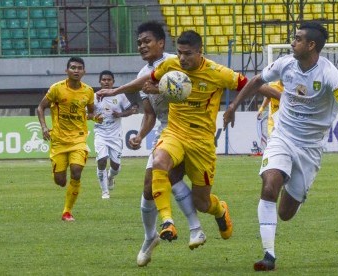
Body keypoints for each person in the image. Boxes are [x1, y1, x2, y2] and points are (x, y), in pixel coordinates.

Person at [97, 29, 280, 254]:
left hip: (201, 142)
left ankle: (220, 210)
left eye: (188, 54)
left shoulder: (217, 72)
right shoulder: (170, 65)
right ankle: (167, 221)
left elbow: (252, 84)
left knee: (202, 203)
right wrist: (116, 90)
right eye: (180, 53)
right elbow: (146, 80)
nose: (183, 58)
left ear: (200, 52)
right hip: (174, 132)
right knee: (159, 163)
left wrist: (284, 97)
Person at [223, 21, 338, 271]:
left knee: (285, 213)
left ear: (311, 45)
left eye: (297, 38)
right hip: (282, 136)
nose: (292, 42)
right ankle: (269, 255)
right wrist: (232, 106)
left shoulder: (330, 75)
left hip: (310, 148)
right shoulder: (285, 64)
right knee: (270, 183)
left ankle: (293, 189)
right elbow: (255, 81)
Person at [126, 22, 205, 267]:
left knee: (172, 176)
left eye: (147, 40)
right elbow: (149, 113)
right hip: (165, 131)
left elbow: (201, 85)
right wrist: (140, 135)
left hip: (191, 130)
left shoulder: (179, 62)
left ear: (161, 42)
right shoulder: (142, 76)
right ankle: (151, 236)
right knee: (149, 187)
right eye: (139, 42)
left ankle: (194, 227)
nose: (142, 45)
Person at [37, 56, 101, 222]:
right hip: (58, 141)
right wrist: (44, 127)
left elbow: (91, 112)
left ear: (84, 72)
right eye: (73, 67)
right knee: (60, 181)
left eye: (79, 68)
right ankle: (61, 179)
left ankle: (67, 211)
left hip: (78, 139)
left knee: (76, 171)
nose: (76, 70)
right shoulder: (56, 89)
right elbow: (40, 107)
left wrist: (95, 117)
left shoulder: (88, 91)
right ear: (67, 71)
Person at [93, 70, 137, 199]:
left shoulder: (120, 96)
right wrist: (95, 118)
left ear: (113, 82)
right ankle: (105, 192)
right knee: (101, 160)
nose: (106, 82)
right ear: (100, 81)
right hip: (100, 133)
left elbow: (132, 110)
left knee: (115, 166)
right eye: (104, 80)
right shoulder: (94, 96)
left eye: (109, 80)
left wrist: (120, 114)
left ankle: (111, 177)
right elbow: (87, 114)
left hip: (115, 135)